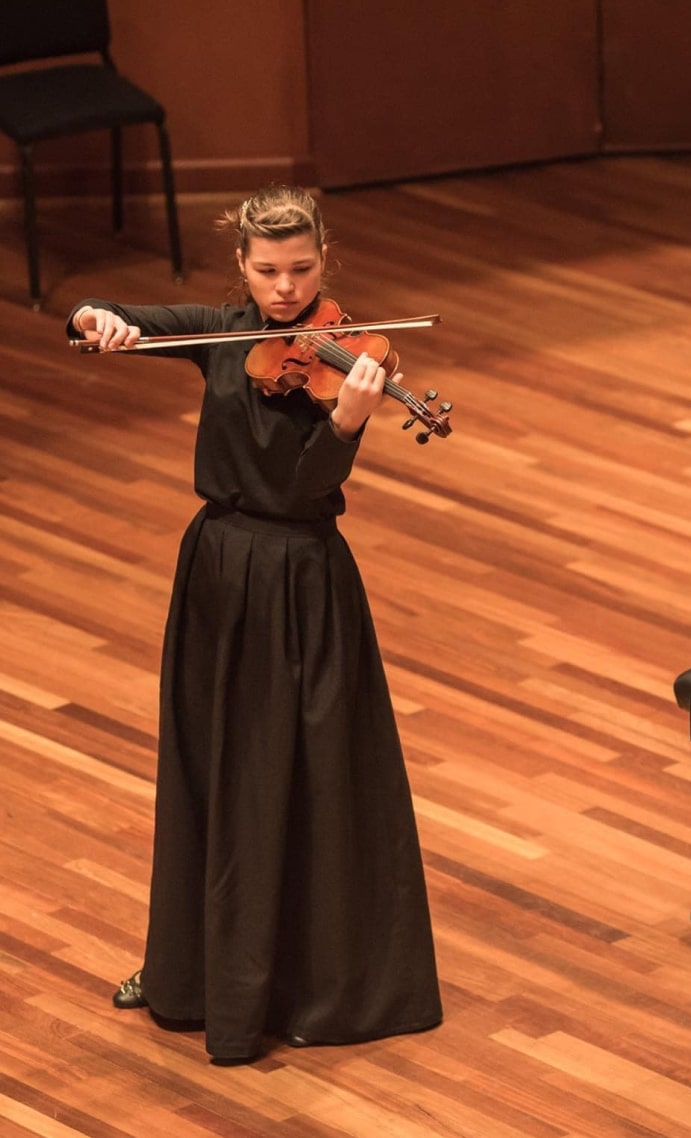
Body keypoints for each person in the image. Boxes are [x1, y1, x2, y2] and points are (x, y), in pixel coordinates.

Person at [68, 185, 442, 1065]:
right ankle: (187, 975)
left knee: (301, 773)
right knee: (208, 766)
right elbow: (111, 313)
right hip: (215, 570)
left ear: (325, 262)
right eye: (268, 272)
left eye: (301, 271)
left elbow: (308, 494)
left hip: (302, 576)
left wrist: (347, 422)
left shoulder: (347, 358)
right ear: (242, 267)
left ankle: (300, 985)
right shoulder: (223, 331)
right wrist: (97, 317)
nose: (285, 293)